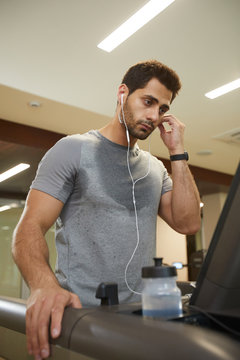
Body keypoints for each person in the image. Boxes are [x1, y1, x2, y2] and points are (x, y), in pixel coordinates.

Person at [12, 60, 201, 360]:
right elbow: (29, 228)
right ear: (123, 93)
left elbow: (189, 223)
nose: (154, 116)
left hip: (143, 321)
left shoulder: (155, 169)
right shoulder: (72, 150)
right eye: (148, 102)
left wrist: (177, 151)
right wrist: (43, 286)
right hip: (82, 320)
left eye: (163, 109)